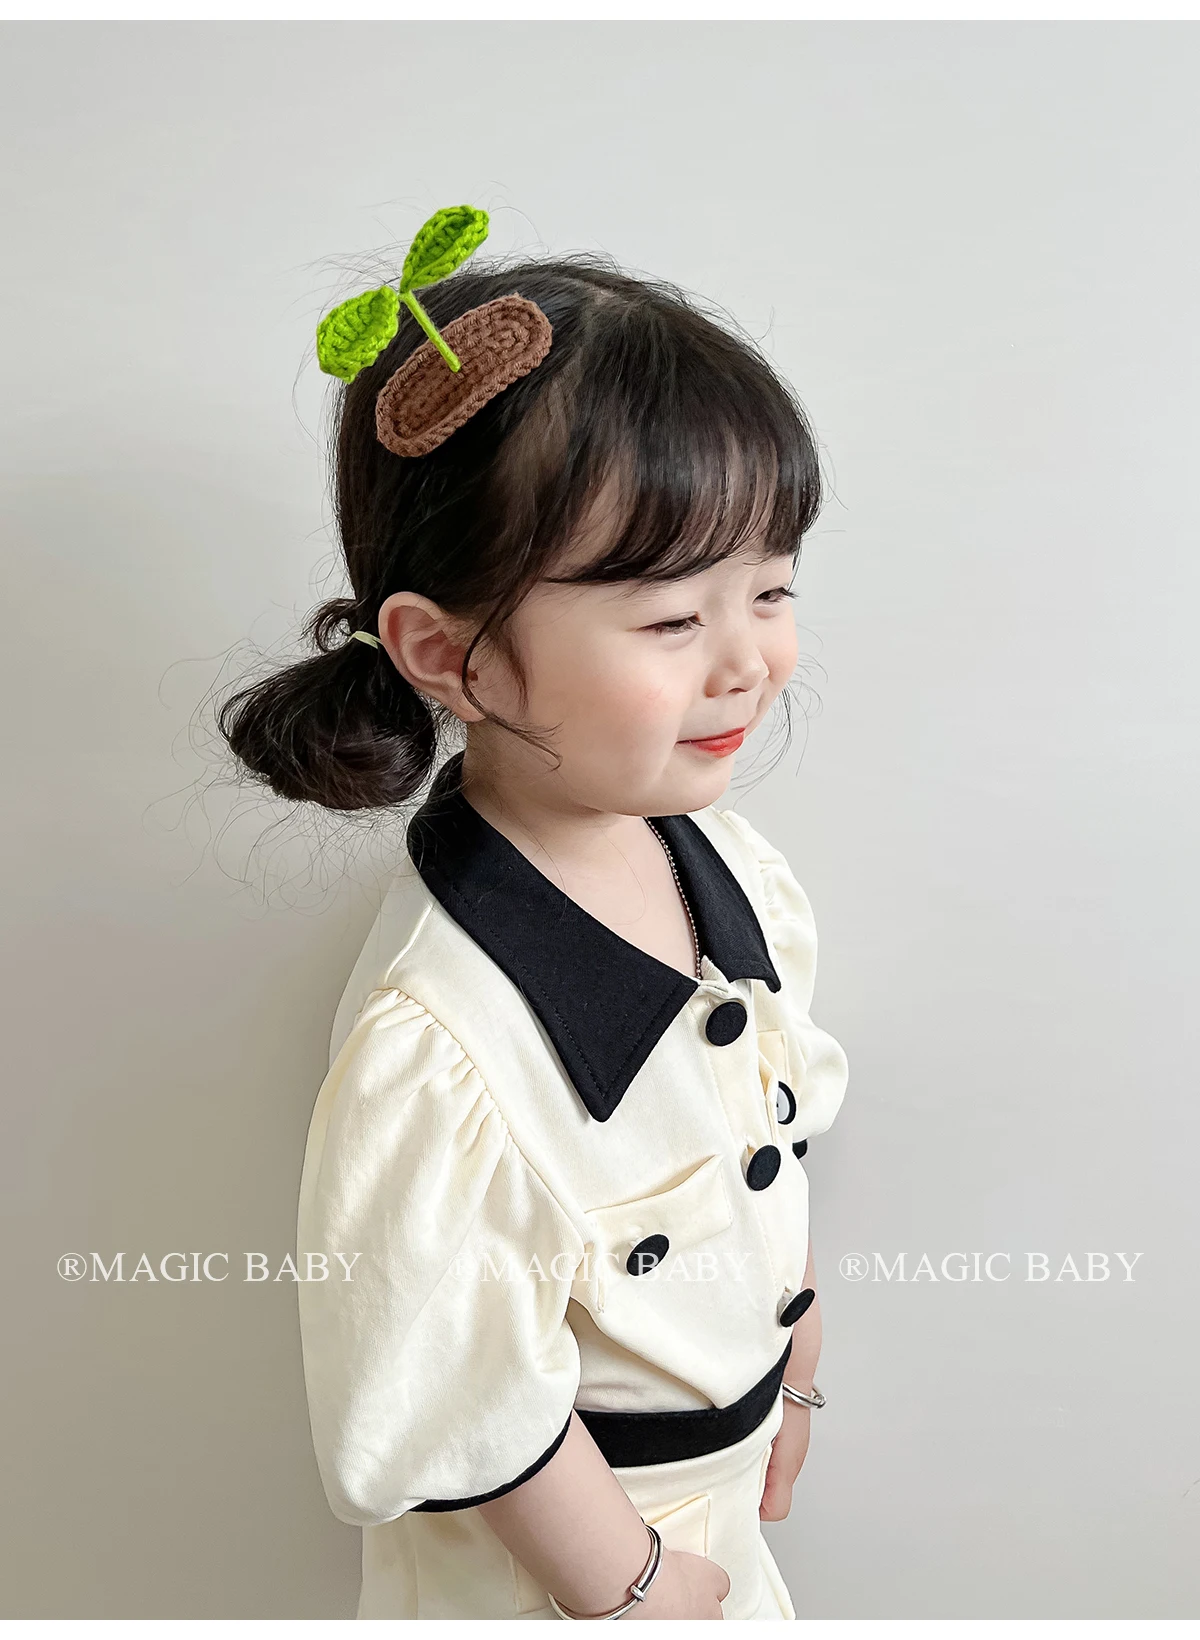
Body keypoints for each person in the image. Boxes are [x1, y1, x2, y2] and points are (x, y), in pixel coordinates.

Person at [219, 206, 850, 1621]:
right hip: (561, 1576)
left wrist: (794, 1359)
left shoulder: (726, 870)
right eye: (672, 620)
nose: (748, 661)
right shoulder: (442, 1042)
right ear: (453, 655)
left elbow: (763, 1134)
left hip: (709, 1520)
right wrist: (635, 1588)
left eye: (770, 589)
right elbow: (454, 1372)